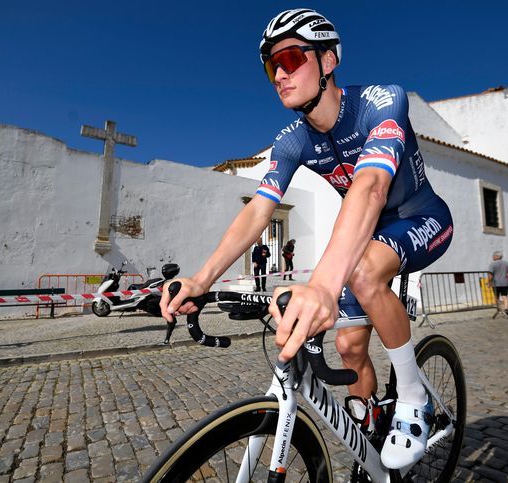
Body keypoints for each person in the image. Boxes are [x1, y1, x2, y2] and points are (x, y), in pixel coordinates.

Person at [160, 8, 454, 470]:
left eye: (292, 58)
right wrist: (200, 279)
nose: (279, 73)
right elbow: (258, 211)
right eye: (271, 65)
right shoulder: (292, 141)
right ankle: (369, 415)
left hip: (422, 217)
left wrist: (321, 285)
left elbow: (372, 186)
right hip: (369, 237)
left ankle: (414, 397)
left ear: (329, 60)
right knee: (348, 347)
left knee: (360, 271)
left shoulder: (381, 101)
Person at [488, 251, 508, 316]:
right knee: (505, 296)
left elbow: (490, 274)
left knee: (496, 297)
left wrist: (489, 282)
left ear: (497, 256)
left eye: (493, 256)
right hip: (505, 282)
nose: (493, 257)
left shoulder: (492, 264)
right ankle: (506, 309)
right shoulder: (507, 263)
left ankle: (499, 309)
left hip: (495, 283)